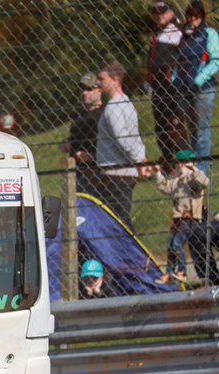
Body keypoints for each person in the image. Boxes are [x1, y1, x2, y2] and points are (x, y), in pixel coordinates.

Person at [94, 60, 152, 225]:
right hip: (122, 171)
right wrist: (140, 158)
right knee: (119, 220)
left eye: (101, 79)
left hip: (116, 172)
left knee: (119, 223)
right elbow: (135, 137)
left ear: (115, 79)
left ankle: (132, 251)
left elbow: (124, 139)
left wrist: (138, 160)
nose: (98, 83)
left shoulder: (113, 107)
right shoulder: (127, 102)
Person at [153, 148, 209, 284]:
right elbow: (165, 187)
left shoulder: (193, 178)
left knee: (177, 244)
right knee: (171, 245)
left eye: (177, 164)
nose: (175, 167)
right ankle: (169, 272)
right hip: (178, 218)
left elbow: (204, 182)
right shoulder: (177, 181)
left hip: (189, 218)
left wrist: (193, 169)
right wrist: (158, 173)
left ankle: (182, 272)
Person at [177, 0, 219, 173]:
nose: (193, 18)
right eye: (190, 15)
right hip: (184, 88)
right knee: (192, 130)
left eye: (197, 15)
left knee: (202, 130)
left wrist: (199, 79)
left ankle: (201, 169)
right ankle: (194, 164)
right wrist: (175, 78)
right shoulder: (185, 35)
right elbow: (178, 58)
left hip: (202, 89)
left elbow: (215, 60)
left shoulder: (208, 33)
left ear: (202, 16)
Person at [148, 2, 188, 169]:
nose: (158, 16)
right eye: (155, 13)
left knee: (175, 122)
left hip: (170, 84)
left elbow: (171, 57)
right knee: (160, 125)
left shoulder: (175, 31)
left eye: (162, 12)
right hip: (157, 84)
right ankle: (167, 159)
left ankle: (183, 159)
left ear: (171, 13)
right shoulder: (156, 34)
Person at [60, 73, 105, 195]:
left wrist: (91, 156)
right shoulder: (78, 115)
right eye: (82, 89)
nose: (85, 92)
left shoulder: (104, 114)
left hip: (96, 172)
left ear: (100, 90)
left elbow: (110, 145)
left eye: (89, 89)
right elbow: (74, 138)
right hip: (76, 172)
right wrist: (66, 143)